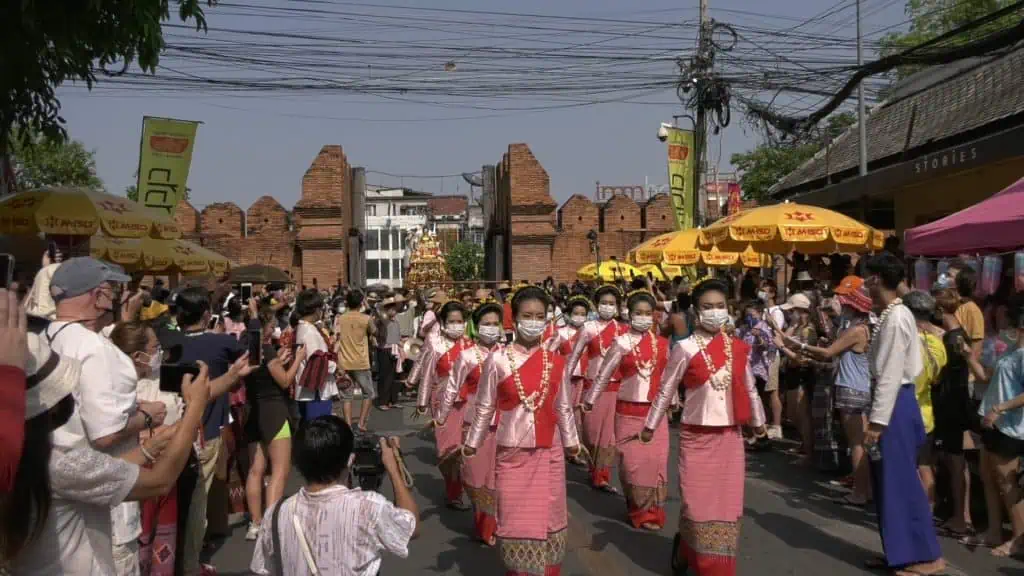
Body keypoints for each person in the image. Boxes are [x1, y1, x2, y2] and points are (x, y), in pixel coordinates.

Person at [6, 324, 212, 575]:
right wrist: (195, 408)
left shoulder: (22, 458)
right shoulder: (57, 464)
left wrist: (152, 446)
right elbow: (159, 482)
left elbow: (103, 470)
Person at [43, 257, 168, 575]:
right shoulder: (96, 349)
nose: (115, 296)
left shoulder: (43, 338)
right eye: (111, 289)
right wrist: (147, 416)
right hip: (102, 505)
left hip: (51, 497)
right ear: (97, 295)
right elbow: (107, 434)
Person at [639, 278, 765, 576]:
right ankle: (687, 544)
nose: (714, 312)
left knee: (724, 508)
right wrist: (650, 425)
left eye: (720, 306)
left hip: (729, 437)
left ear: (728, 309)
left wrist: (759, 422)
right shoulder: (684, 348)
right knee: (696, 505)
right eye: (707, 307)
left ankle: (712, 566)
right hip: (696, 436)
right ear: (696, 311)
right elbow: (665, 390)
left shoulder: (736, 348)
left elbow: (749, 388)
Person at [463, 286, 582, 576]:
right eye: (527, 315)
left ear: (547, 320)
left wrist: (572, 443)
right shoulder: (498, 360)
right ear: (513, 320)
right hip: (512, 451)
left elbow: (563, 406)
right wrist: (473, 442)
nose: (533, 321)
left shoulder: (556, 362)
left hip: (549, 451)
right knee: (516, 517)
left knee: (550, 516)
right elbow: (485, 405)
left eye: (539, 316)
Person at [249, 416, 419, 576]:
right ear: (349, 460)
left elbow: (262, 568)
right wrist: (394, 468)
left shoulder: (276, 514)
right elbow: (411, 528)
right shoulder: (368, 507)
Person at [862, 253, 945, 575]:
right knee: (888, 483)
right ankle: (901, 551)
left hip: (895, 404)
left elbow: (893, 373)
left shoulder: (897, 317)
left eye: (867, 278)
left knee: (901, 483)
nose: (865, 285)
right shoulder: (892, 315)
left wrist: (878, 421)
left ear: (876, 279)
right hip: (892, 402)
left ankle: (927, 555)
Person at [171, 286, 255, 576]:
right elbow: (250, 355)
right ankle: (191, 562)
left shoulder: (170, 343)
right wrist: (253, 321)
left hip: (171, 430)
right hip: (208, 429)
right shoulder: (219, 342)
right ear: (206, 314)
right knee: (198, 501)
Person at [583, 288, 670, 531]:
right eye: (638, 313)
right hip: (628, 412)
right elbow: (604, 375)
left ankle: (652, 513)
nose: (643, 317)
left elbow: (667, 378)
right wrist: (590, 400)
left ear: (654, 316)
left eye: (647, 313)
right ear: (629, 315)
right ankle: (637, 509)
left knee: (656, 464)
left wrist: (671, 403)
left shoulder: (663, 344)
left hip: (656, 413)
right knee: (632, 465)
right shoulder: (620, 343)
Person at [786, 286, 873, 505]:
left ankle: (860, 492)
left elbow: (828, 352)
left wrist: (799, 344)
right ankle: (864, 488)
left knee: (857, 443)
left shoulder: (858, 330)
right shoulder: (855, 327)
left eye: (844, 304)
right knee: (858, 442)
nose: (840, 306)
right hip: (854, 386)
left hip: (852, 387)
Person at [436, 300, 504, 546]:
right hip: (475, 423)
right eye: (486, 324)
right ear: (476, 327)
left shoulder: (509, 354)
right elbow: (451, 390)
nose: (491, 328)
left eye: (496, 324)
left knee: (500, 477)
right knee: (477, 477)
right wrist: (441, 417)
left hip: (506, 424)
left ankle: (494, 526)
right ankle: (483, 521)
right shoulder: (465, 357)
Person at [962, 294, 1024, 556]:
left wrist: (1000, 408)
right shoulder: (1011, 351)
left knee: (1008, 484)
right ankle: (995, 531)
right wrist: (968, 356)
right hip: (991, 422)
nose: (1004, 327)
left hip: (1009, 427)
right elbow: (986, 376)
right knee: (988, 478)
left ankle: (1019, 540)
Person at [243, 304, 307, 541]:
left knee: (255, 470)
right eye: (272, 325)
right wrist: (297, 359)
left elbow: (261, 373)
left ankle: (255, 522)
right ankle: (270, 522)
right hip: (274, 411)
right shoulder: (267, 349)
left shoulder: (249, 348)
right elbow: (284, 381)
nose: (275, 328)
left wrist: (279, 360)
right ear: (266, 328)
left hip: (253, 410)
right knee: (280, 469)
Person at [565, 284, 629, 492]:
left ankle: (602, 475)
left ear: (618, 307)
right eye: (604, 303)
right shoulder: (588, 328)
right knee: (591, 434)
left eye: (612, 303)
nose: (608, 307)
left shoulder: (624, 330)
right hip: (591, 388)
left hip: (616, 388)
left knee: (609, 436)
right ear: (596, 304)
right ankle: (594, 466)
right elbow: (573, 357)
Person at [416, 300, 473, 509]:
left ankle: (461, 491)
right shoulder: (435, 345)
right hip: (443, 404)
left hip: (469, 403)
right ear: (443, 322)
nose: (456, 325)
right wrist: (422, 402)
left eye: (460, 321)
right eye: (452, 321)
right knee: (445, 451)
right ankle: (453, 486)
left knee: (465, 450)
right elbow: (427, 375)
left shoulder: (471, 345)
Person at [929, 274, 974, 537]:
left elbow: (941, 373)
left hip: (950, 403)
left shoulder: (950, 338)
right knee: (953, 459)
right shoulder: (958, 333)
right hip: (954, 402)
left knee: (954, 460)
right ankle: (958, 514)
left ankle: (959, 516)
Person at [903, 290, 947, 510]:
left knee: (910, 467)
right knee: (924, 464)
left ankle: (916, 511)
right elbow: (937, 379)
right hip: (927, 413)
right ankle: (927, 509)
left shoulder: (909, 343)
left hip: (908, 411)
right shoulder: (938, 344)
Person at [777, 293, 815, 461]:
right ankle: (804, 444)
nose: (789, 314)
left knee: (800, 412)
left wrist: (784, 347)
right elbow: (784, 339)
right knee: (793, 412)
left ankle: (808, 448)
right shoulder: (798, 327)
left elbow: (796, 352)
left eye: (792, 310)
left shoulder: (809, 330)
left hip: (801, 372)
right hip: (792, 371)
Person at [294, 289, 341, 425]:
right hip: (316, 391)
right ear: (315, 310)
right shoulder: (309, 331)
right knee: (318, 428)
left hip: (310, 388)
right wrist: (336, 366)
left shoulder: (304, 327)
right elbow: (317, 361)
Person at [758, 279, 785, 439]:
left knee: (773, 390)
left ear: (772, 293)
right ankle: (766, 421)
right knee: (763, 391)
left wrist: (769, 322)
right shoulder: (762, 311)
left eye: (765, 290)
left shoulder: (777, 312)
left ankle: (777, 425)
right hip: (760, 356)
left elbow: (776, 332)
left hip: (771, 355)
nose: (762, 292)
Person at [375, 295, 404, 411]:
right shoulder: (382, 321)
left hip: (395, 349)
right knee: (385, 376)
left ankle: (394, 400)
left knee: (395, 376)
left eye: (394, 309)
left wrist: (402, 345)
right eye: (391, 309)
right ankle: (383, 401)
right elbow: (377, 310)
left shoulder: (396, 322)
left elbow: (398, 337)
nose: (394, 311)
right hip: (384, 349)